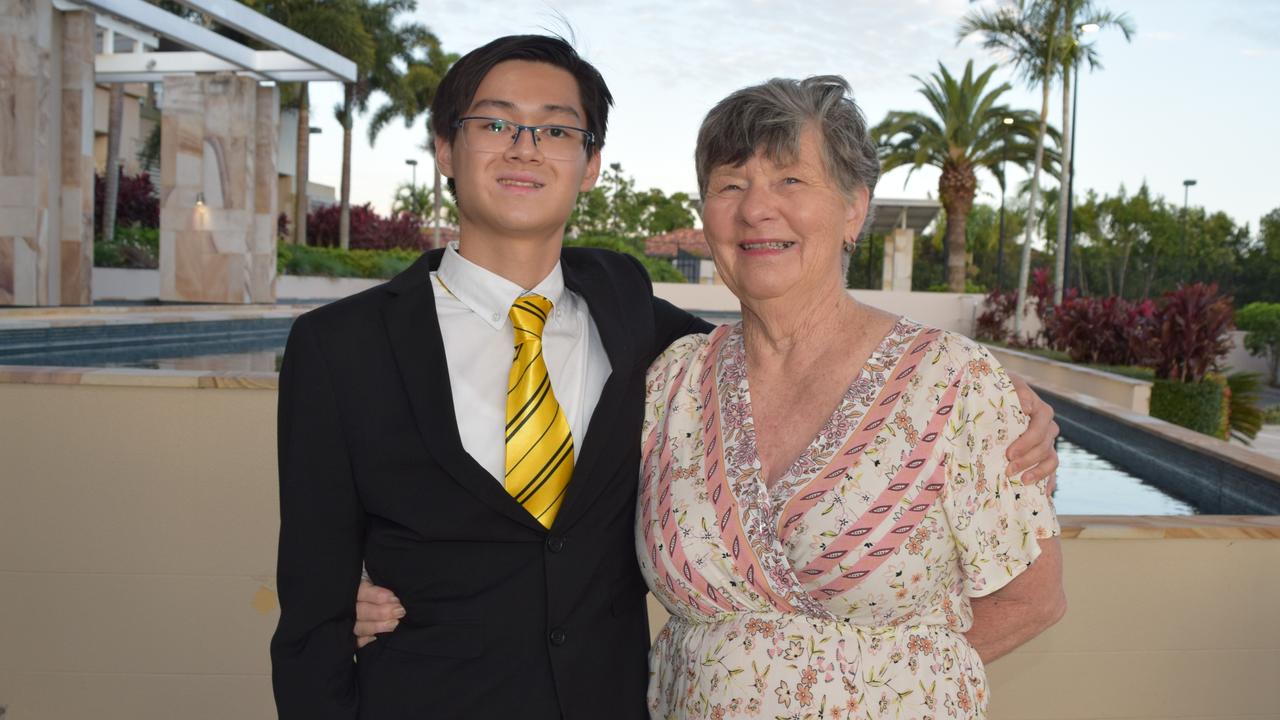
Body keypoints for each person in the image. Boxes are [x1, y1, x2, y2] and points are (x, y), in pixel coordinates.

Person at [281, 35, 1060, 719]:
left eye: (555, 129)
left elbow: (1028, 594)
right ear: (446, 150)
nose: (524, 147)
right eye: (494, 123)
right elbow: (310, 612)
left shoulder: (637, 328)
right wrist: (336, 596)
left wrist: (860, 689)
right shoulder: (342, 349)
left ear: (589, 165)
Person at [636, 76, 1065, 718]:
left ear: (854, 208)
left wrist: (854, 688)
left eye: (790, 180)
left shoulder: (953, 384)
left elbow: (1034, 599)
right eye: (730, 184)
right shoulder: (672, 381)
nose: (756, 209)